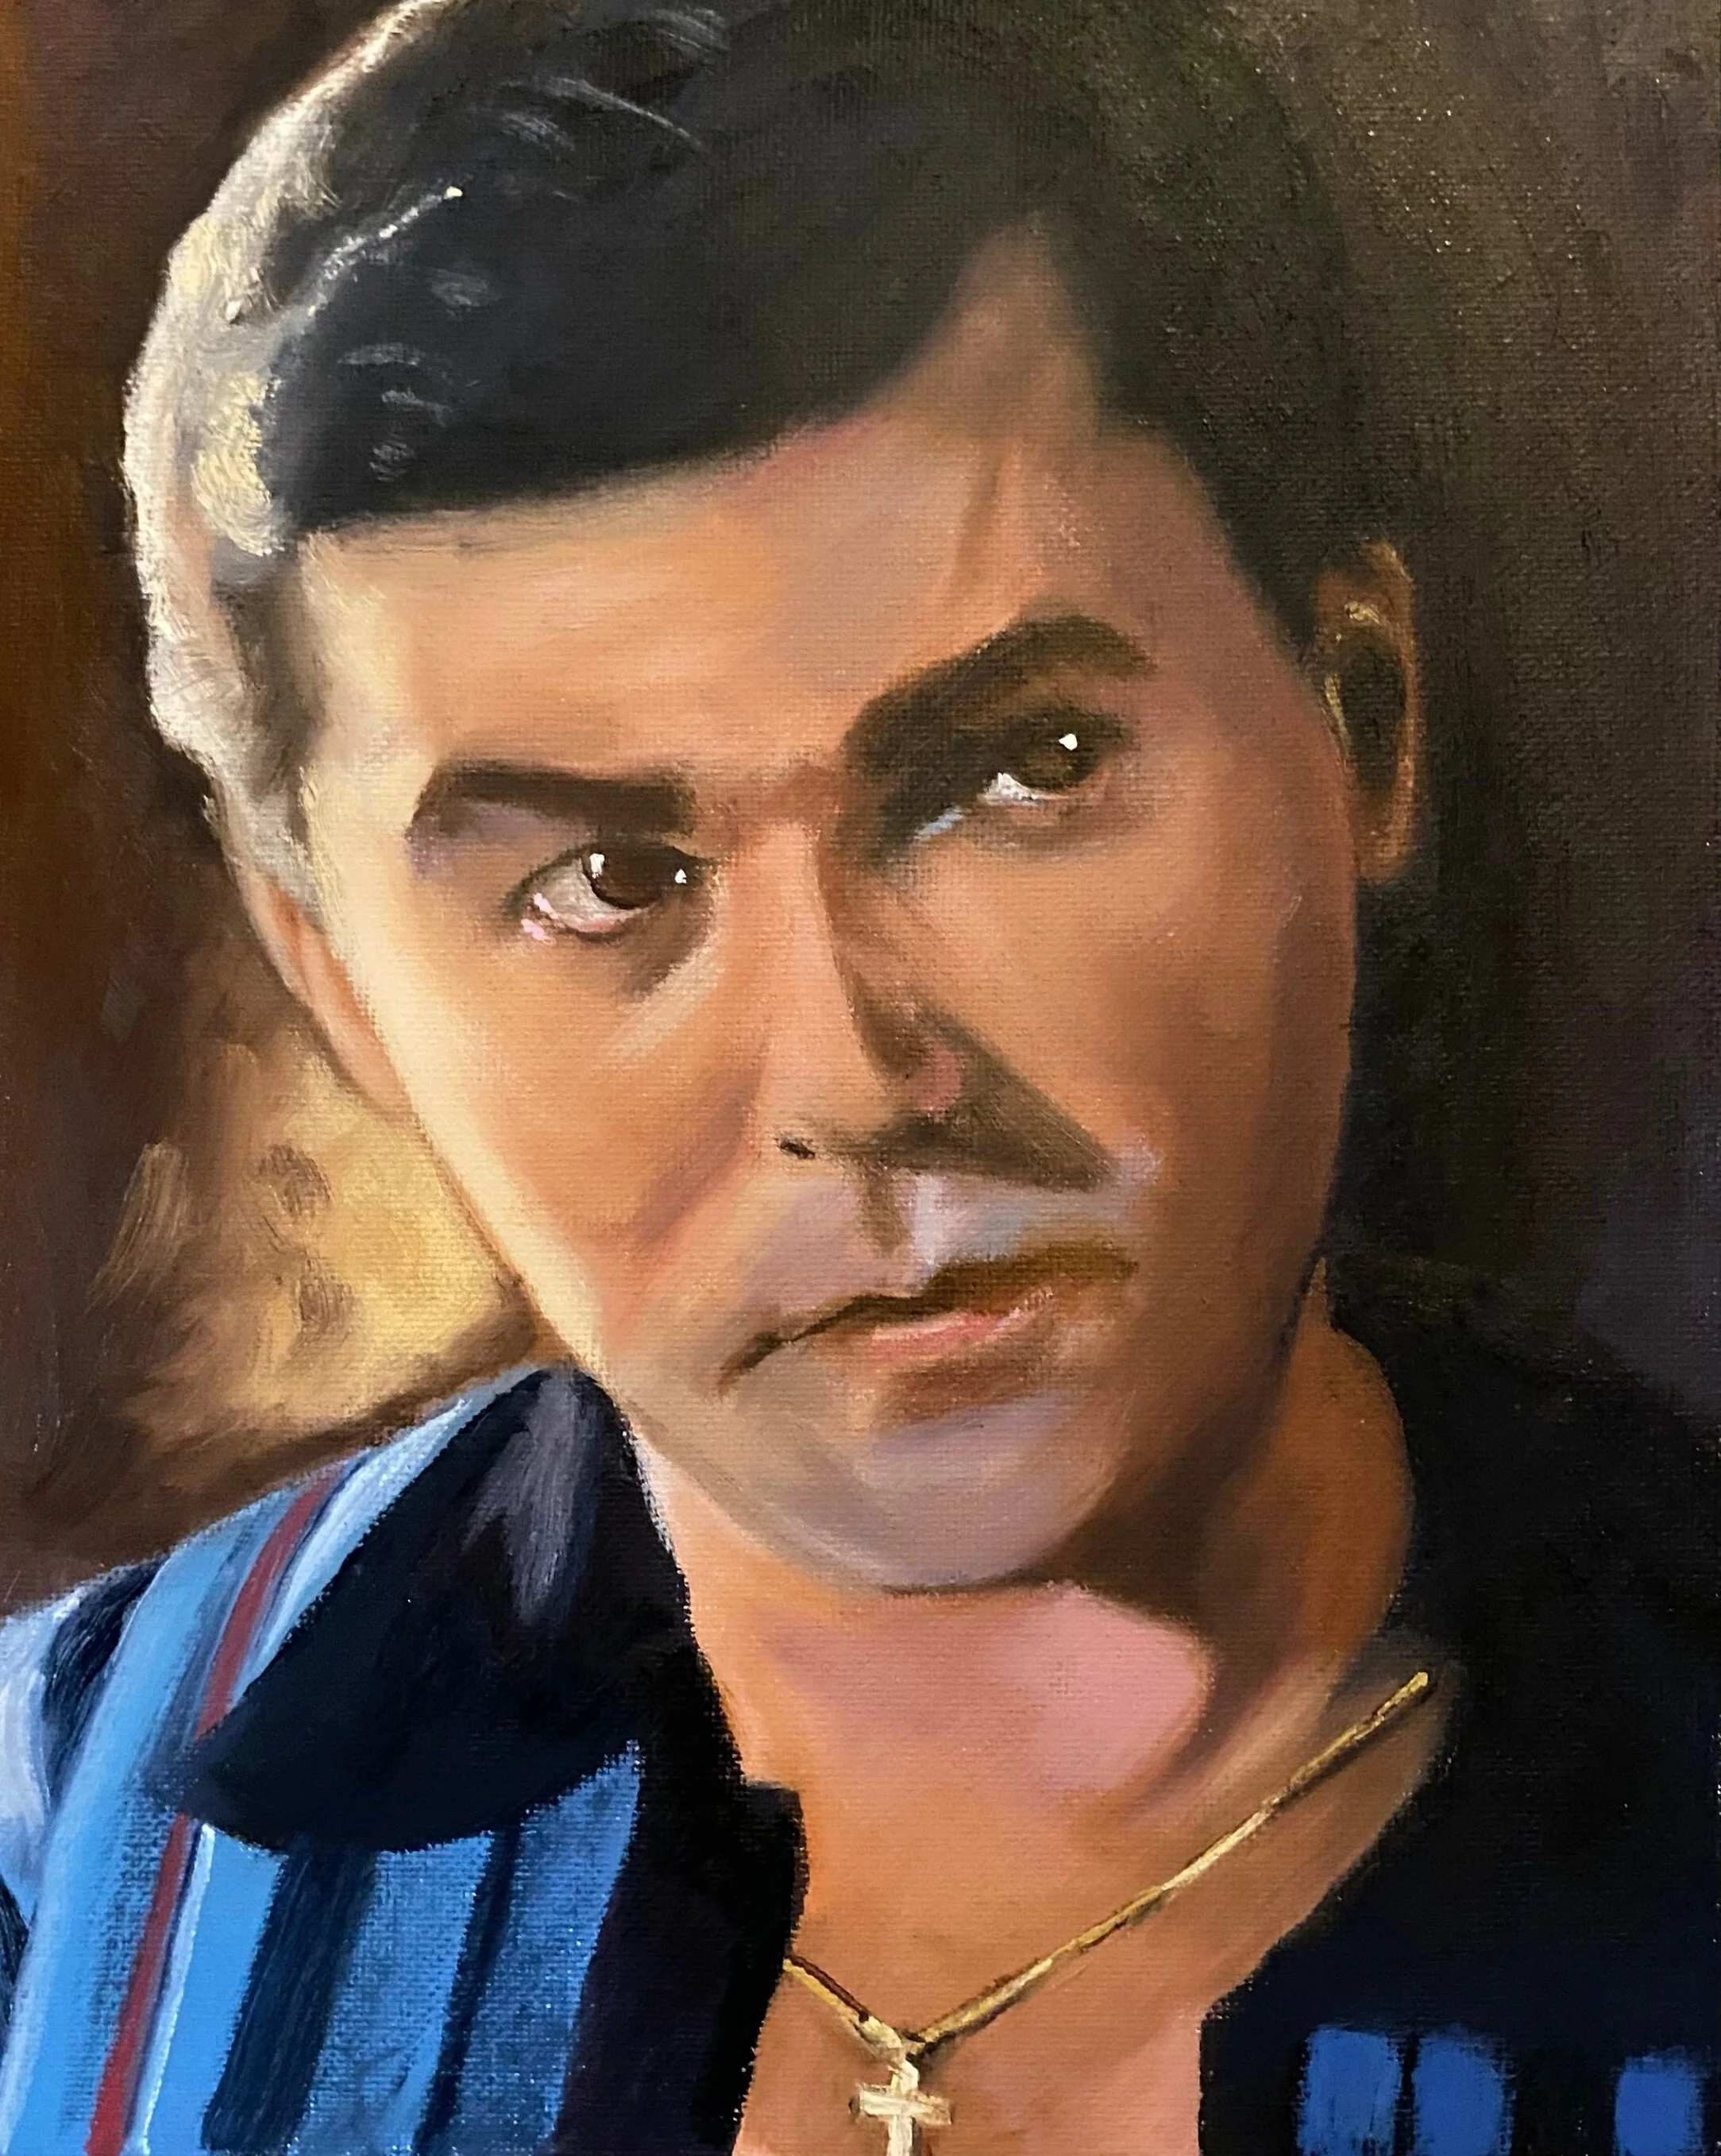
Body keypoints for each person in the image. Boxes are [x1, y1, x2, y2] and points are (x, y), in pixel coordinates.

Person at [0, 1, 1714, 2150]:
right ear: (335, 983)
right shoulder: (65, 1839)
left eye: (1023, 769)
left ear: (1359, 729)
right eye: (609, 881)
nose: (851, 1078)